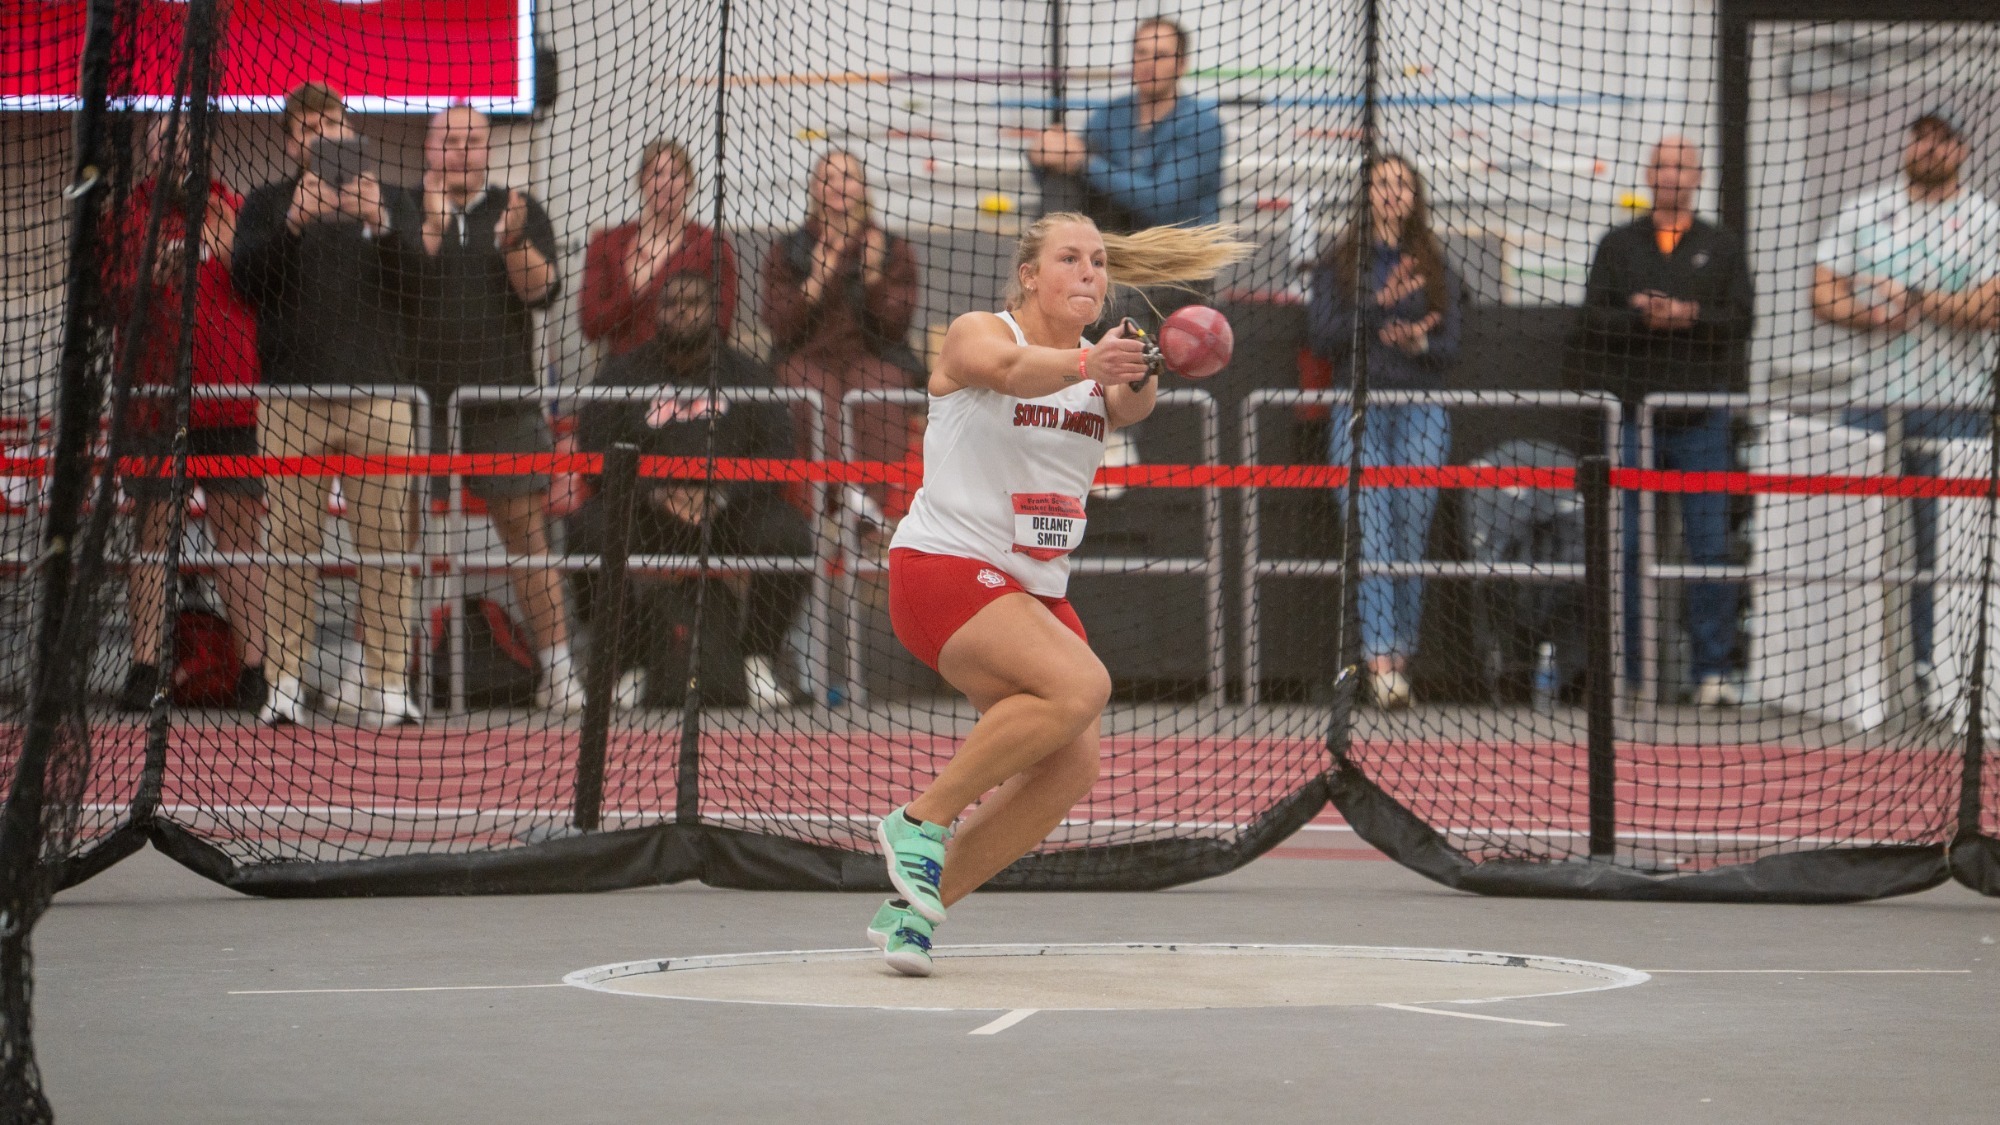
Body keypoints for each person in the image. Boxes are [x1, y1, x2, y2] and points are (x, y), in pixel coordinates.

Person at [867, 213, 1249, 975]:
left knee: (1071, 763)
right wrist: (1090, 361)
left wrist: (1155, 361)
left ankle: (910, 914)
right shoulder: (980, 331)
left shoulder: (1102, 369)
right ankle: (919, 820)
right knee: (1085, 681)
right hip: (942, 567)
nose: (1088, 273)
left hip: (1031, 589)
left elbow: (1132, 404)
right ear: (1030, 275)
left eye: (1100, 263)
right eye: (1069, 259)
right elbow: (1009, 372)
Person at [233, 83, 418, 726]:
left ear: (350, 130)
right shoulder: (266, 203)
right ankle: (285, 683)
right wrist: (294, 223)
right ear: (291, 139)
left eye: (331, 121)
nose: (320, 134)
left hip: (380, 394)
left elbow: (422, 283)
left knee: (386, 542)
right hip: (290, 397)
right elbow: (244, 285)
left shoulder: (389, 197)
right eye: (307, 125)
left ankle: (391, 686)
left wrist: (381, 221)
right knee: (288, 543)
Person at [387, 106, 581, 713]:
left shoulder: (516, 207)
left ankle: (559, 672)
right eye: (451, 140)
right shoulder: (400, 205)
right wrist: (433, 227)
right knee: (399, 537)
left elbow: (544, 293)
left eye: (474, 141)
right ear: (429, 148)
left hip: (501, 398)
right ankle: (389, 677)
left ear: (488, 149)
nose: (463, 151)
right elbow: (389, 286)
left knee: (528, 536)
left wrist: (513, 242)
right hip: (418, 402)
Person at [1812, 110, 2000, 696]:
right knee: (1857, 545)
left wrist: (1916, 298)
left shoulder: (1985, 220)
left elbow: (1988, 308)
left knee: (1947, 552)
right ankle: (1851, 682)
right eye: (1919, 136)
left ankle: (1939, 677)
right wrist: (1867, 315)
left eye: (1942, 139)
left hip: (1958, 407)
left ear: (1962, 151)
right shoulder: (1867, 210)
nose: (1928, 148)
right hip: (1872, 406)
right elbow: (1823, 292)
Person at [1570, 135, 1754, 705]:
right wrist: (1639, 316)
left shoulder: (1720, 246)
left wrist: (1689, 316)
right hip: (1634, 416)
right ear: (1649, 173)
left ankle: (1712, 675)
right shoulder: (1619, 245)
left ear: (1697, 177)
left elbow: (1741, 320)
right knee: (1627, 548)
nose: (1672, 174)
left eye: (1682, 165)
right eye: (1662, 164)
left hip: (1702, 415)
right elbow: (1590, 321)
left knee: (1710, 547)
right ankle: (1632, 673)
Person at [572, 272, 810, 709]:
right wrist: (654, 493)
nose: (681, 311)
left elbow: (777, 454)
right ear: (656, 312)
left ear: (714, 312)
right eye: (671, 303)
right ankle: (627, 665)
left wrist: (719, 495)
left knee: (789, 534)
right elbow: (593, 451)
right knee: (587, 530)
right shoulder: (623, 372)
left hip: (728, 513)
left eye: (693, 302)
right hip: (645, 509)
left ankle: (757, 657)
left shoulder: (747, 374)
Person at [107, 114, 267, 712]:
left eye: (185, 138)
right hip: (154, 404)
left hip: (229, 401)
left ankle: (255, 669)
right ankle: (146, 666)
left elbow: (270, 290)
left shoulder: (236, 206)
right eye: (163, 138)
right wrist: (152, 272)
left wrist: (233, 252)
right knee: (152, 537)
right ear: (150, 148)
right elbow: (109, 295)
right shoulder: (130, 214)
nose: (176, 148)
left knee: (240, 537)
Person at [1308, 154, 1462, 709]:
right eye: (1381, 184)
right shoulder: (1340, 263)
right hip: (1360, 409)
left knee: (1409, 533)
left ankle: (1403, 655)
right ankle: (1380, 664)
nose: (1392, 193)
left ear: (1415, 195)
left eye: (1401, 184)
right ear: (1365, 195)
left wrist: (1417, 340)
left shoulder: (1434, 262)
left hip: (1420, 409)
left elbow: (1450, 347)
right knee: (1368, 534)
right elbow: (1323, 336)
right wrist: (1379, 308)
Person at [761, 149, 922, 521]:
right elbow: (778, 322)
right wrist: (815, 279)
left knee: (880, 387)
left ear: (863, 188)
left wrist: (872, 277)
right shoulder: (789, 250)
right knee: (808, 391)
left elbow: (896, 325)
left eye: (847, 177)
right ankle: (834, 502)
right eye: (828, 178)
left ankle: (868, 510)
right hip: (808, 356)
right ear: (815, 190)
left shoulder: (891, 249)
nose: (838, 186)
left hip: (873, 355)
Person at [1026, 17, 1225, 233]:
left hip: (1176, 250)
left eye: (1161, 55)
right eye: (1142, 53)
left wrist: (1082, 162)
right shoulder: (1112, 114)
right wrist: (1043, 156)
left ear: (1181, 65)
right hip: (1118, 243)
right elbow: (1067, 180)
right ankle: (1053, 257)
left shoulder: (1202, 124)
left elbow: (1161, 203)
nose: (1149, 63)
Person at [580, 139, 738, 359]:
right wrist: (632, 292)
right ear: (641, 181)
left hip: (690, 370)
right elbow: (591, 324)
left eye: (676, 174)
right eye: (657, 173)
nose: (667, 183)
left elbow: (722, 325)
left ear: (690, 182)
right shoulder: (608, 243)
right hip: (624, 373)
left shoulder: (711, 245)